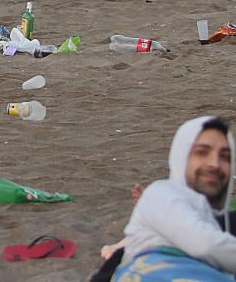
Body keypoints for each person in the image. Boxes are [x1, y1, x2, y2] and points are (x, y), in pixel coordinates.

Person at [101, 116, 236, 281]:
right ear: (182, 156)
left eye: (225, 156)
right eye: (202, 152)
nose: (215, 163)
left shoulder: (208, 218)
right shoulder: (161, 193)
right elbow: (205, 245)